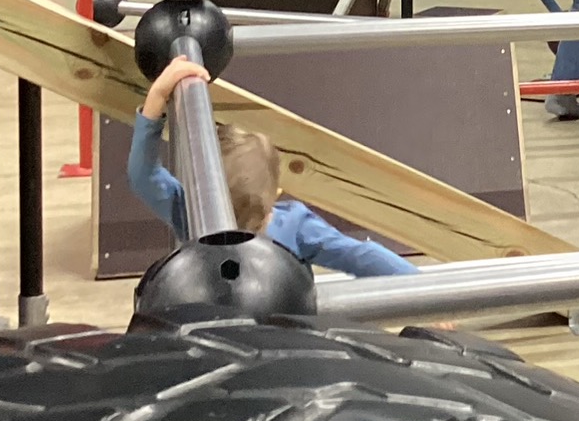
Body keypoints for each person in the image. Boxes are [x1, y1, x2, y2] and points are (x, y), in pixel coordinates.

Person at [130, 56, 419, 277]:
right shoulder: (293, 225)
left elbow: (143, 174)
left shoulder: (192, 215)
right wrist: (420, 287)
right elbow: (360, 255)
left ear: (203, 186)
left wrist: (157, 97)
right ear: (276, 193)